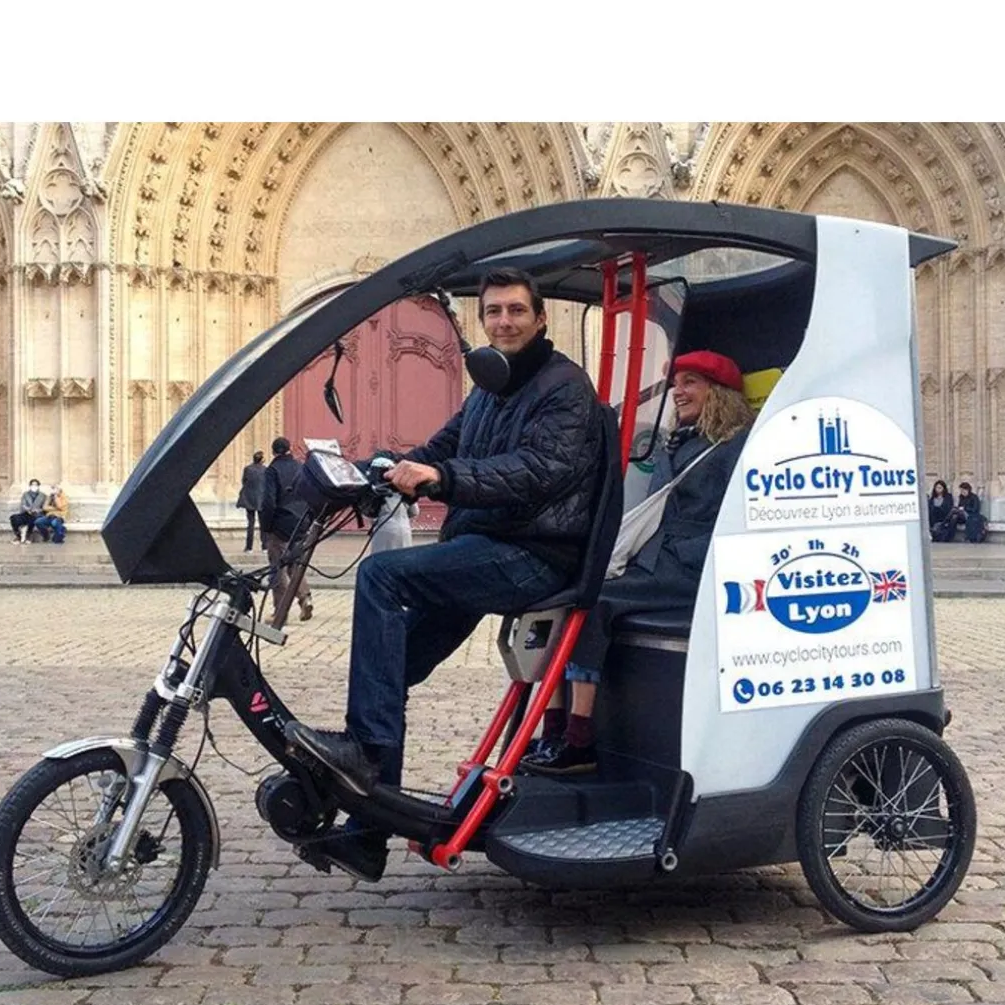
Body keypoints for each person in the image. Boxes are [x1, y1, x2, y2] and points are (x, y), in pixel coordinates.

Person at [290, 267, 602, 880]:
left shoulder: (565, 386)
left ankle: (360, 754)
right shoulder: (489, 386)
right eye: (493, 312)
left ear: (541, 318)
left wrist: (443, 479)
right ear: (481, 320)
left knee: (383, 577)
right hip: (482, 548)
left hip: (535, 555)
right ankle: (367, 832)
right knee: (390, 672)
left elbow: (539, 470)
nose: (504, 322)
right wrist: (380, 467)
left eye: (516, 310)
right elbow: (440, 448)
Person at [522, 350, 755, 775]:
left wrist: (688, 552)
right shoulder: (674, 441)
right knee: (555, 598)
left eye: (690, 382)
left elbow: (742, 515)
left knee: (592, 602)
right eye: (676, 384)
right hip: (654, 559)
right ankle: (551, 730)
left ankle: (579, 739)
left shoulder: (735, 447)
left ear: (718, 392)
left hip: (690, 567)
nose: (678, 392)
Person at [261, 436, 314, 622]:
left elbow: (268, 501)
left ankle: (280, 612)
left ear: (273, 452)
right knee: (295, 564)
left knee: (278, 569)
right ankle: (305, 598)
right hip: (301, 523)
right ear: (290, 449)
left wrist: (266, 527)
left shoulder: (272, 470)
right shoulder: (300, 467)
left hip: (280, 524)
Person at [238, 450, 267, 553]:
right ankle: (265, 546)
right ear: (262, 460)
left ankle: (249, 547)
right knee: (263, 524)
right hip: (261, 498)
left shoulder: (247, 469)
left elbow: (244, 481)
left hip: (249, 499)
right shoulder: (265, 470)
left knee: (250, 523)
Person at [9, 479, 46, 543]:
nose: (34, 486)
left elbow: (44, 507)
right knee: (13, 518)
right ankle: (18, 536)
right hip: (27, 513)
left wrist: (38, 510)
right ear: (30, 486)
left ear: (38, 486)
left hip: (37, 514)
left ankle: (28, 536)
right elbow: (23, 504)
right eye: (32, 485)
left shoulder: (43, 495)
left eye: (36, 485)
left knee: (33, 520)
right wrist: (28, 509)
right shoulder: (25, 494)